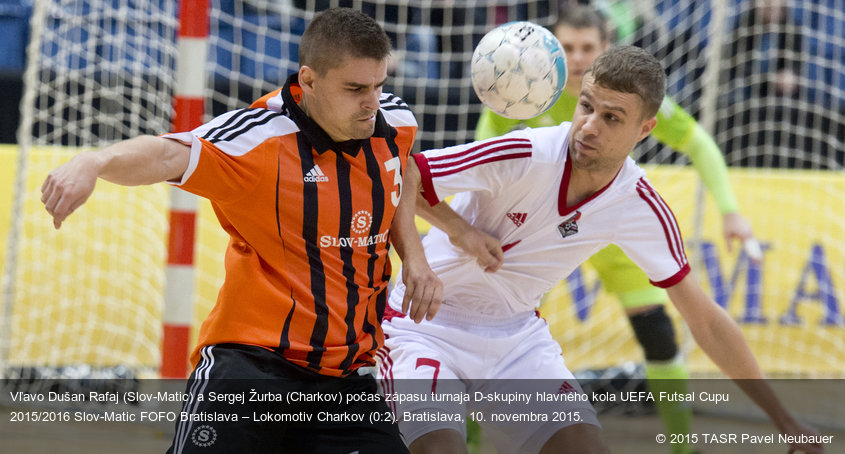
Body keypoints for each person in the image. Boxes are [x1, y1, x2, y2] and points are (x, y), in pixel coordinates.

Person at [379, 45, 823, 454]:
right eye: (587, 106)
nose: (589, 126)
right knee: (441, 449)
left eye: (612, 117)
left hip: (516, 342)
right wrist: (454, 235)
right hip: (424, 329)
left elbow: (705, 321)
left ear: (645, 128)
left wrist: (783, 420)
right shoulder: (528, 151)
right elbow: (406, 174)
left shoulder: (639, 204)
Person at [40, 8, 441, 453]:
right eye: (355, 89)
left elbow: (401, 169)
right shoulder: (255, 141)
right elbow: (167, 156)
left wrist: (415, 257)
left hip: (344, 380)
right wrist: (92, 162)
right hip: (251, 367)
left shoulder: (394, 123)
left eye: (379, 85)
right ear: (308, 81)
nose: (372, 102)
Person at [474, 6, 757, 453]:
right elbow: (481, 158)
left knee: (658, 332)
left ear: (605, 48)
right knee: (486, 332)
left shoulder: (628, 96)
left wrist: (730, 210)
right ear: (553, 50)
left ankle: (683, 446)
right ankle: (469, 444)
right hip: (536, 235)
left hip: (608, 228)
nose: (578, 56)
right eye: (568, 48)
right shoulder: (522, 91)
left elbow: (698, 142)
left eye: (588, 47)